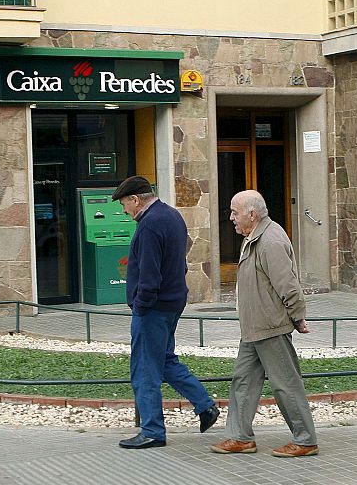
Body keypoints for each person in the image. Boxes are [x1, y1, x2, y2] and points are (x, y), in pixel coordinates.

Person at [112, 176, 219, 449]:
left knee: (144, 370)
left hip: (153, 308)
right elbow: (180, 263)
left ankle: (152, 431)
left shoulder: (149, 224)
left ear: (135, 200)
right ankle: (205, 405)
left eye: (125, 205)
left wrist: (141, 305)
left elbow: (149, 273)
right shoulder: (172, 215)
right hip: (173, 302)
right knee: (165, 360)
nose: (125, 212)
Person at [210, 190, 318, 458]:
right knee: (243, 381)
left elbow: (288, 284)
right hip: (254, 327)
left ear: (252, 214)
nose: (231, 218)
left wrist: (298, 316)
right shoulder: (254, 237)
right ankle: (240, 437)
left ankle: (305, 440)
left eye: (235, 212)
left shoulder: (269, 240)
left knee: (285, 383)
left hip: (271, 326)